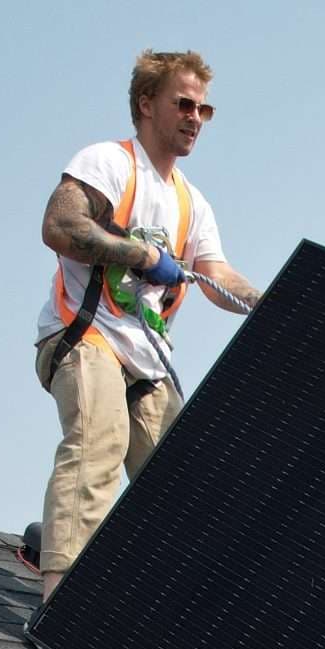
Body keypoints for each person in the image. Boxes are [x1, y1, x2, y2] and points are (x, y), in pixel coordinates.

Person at [32, 50, 261, 605]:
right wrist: (135, 253)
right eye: (183, 104)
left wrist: (271, 302)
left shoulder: (191, 203)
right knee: (97, 441)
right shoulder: (109, 163)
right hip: (85, 336)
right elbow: (60, 223)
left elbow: (215, 274)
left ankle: (171, 614)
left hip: (146, 361)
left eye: (204, 110)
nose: (194, 118)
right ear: (145, 104)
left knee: (179, 483)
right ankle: (59, 604)